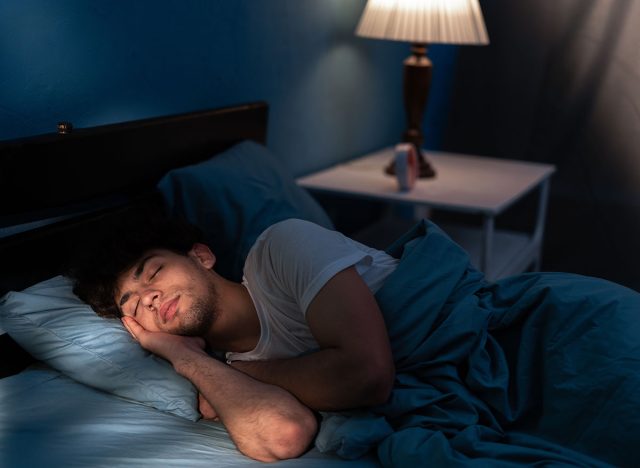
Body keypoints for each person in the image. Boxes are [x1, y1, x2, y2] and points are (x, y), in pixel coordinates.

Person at [69, 207, 398, 462]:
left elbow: (368, 375)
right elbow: (285, 435)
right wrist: (186, 357)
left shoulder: (282, 248)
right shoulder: (220, 376)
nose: (149, 297)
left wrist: (245, 372)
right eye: (134, 307)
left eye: (154, 271)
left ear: (202, 256)